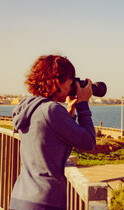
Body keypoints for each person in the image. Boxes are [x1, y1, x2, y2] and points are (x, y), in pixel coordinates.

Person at [10, 54, 96, 210]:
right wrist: (83, 105)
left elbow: (51, 135)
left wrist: (70, 111)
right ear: (57, 82)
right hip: (44, 201)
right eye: (71, 79)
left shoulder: (29, 107)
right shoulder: (52, 110)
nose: (73, 84)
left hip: (20, 197)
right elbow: (88, 141)